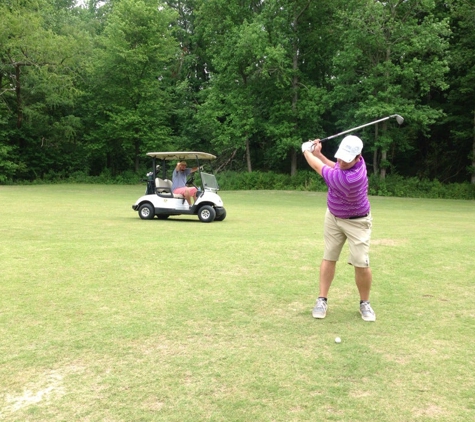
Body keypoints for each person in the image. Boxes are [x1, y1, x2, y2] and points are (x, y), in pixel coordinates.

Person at [301, 135, 376, 322]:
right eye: (340, 156)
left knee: (361, 262)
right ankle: (322, 299)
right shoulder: (354, 163)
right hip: (333, 217)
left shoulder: (351, 179)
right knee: (329, 256)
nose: (341, 161)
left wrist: (306, 150)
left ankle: (364, 303)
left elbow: (318, 167)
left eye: (346, 159)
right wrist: (319, 154)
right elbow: (334, 166)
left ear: (358, 157)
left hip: (357, 222)